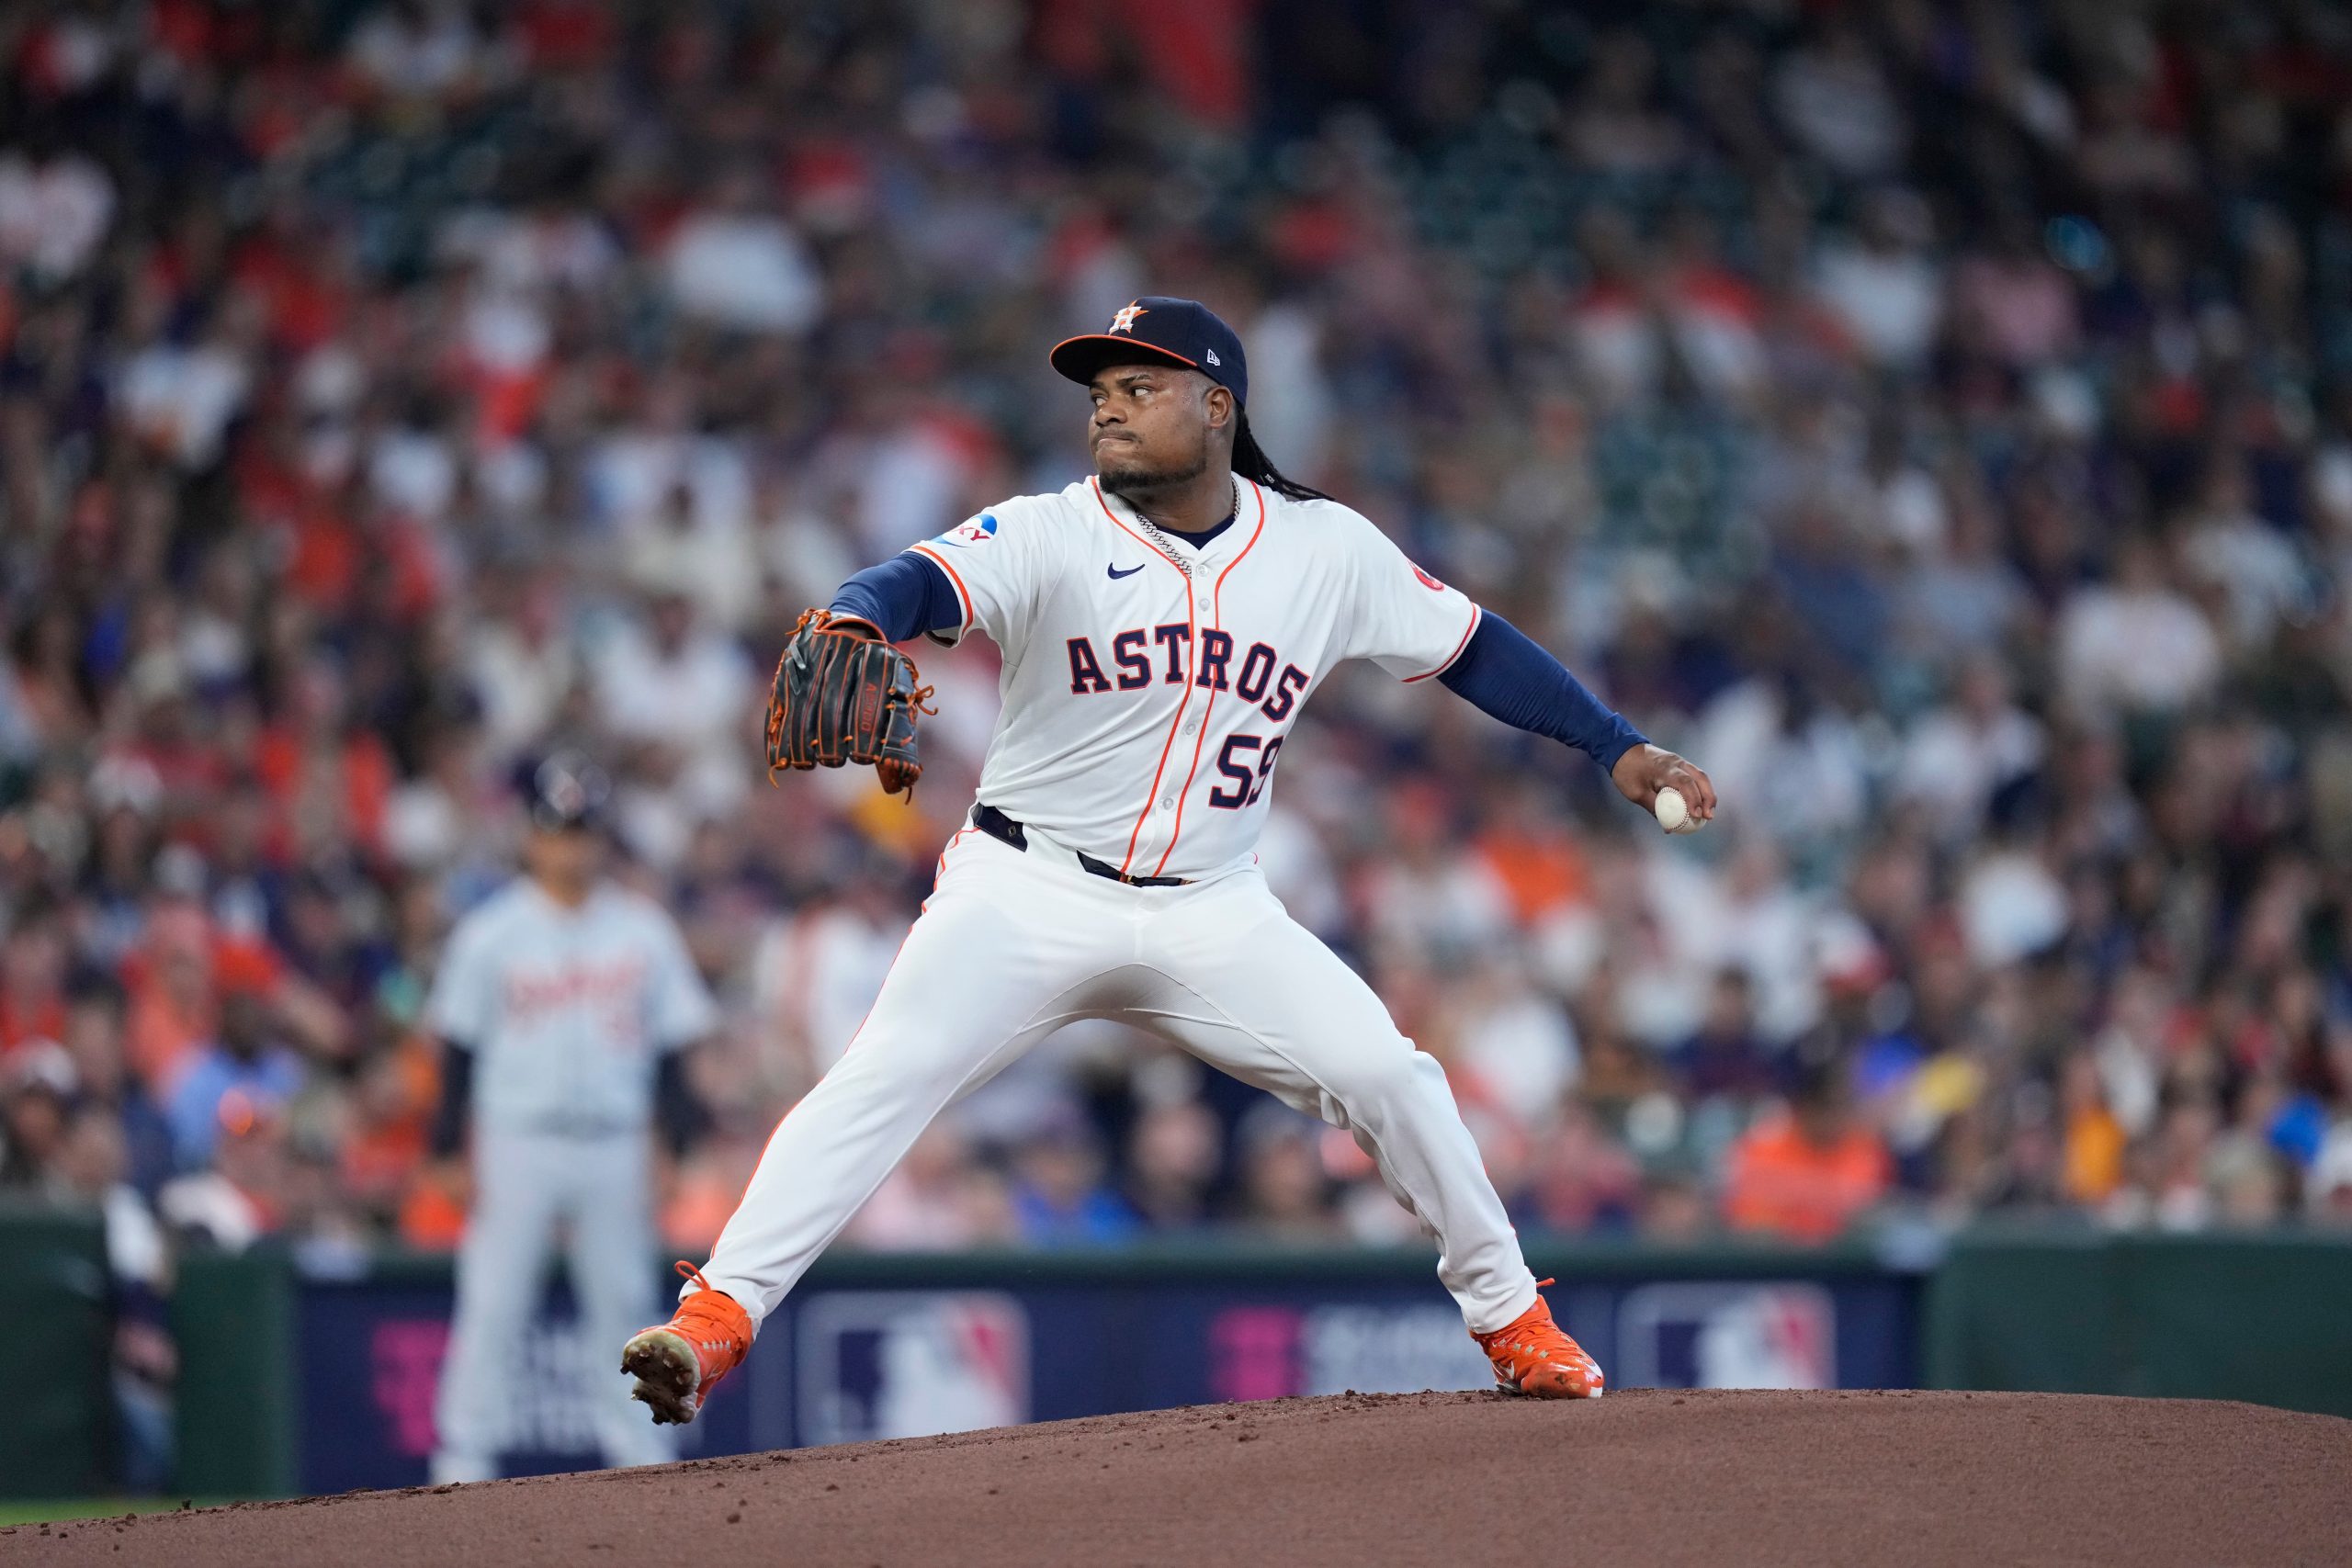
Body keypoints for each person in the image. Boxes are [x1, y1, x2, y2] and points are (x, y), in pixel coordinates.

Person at [623, 298, 1714, 1422]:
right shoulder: (1051, 529)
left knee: (1394, 1077)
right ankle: (715, 1322)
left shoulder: (1321, 548)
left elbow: (1474, 647)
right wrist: (855, 612)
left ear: (1218, 406)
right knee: (880, 1076)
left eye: (1140, 390)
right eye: (1101, 395)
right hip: (1025, 889)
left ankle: (1512, 1321)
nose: (1109, 412)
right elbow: (923, 580)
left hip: (1212, 911)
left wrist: (1616, 745)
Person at [427, 754, 716, 1482]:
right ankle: (463, 1455)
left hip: (614, 1140)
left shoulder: (643, 931)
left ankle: (641, 1448)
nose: (572, 847)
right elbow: (456, 1052)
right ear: (531, 837)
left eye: (584, 831)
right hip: (515, 1137)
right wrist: (444, 1148)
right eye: (559, 831)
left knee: (621, 1298)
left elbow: (673, 1052)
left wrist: (676, 1141)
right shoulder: (490, 933)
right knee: (494, 1298)